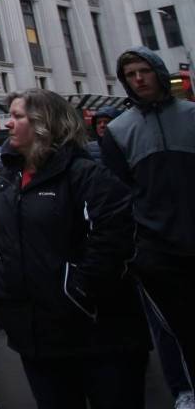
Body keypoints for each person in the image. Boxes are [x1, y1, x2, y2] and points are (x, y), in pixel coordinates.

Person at [0, 88, 149, 408]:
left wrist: (75, 290)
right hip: (35, 338)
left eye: (18, 116)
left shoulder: (87, 176)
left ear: (45, 124)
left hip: (99, 337)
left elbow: (112, 241)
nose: (8, 124)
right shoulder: (7, 182)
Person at [100, 48, 195, 408]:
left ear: (158, 72)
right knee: (170, 328)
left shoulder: (191, 116)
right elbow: (119, 193)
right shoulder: (120, 131)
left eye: (144, 71)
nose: (138, 79)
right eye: (130, 75)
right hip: (156, 249)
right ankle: (183, 390)